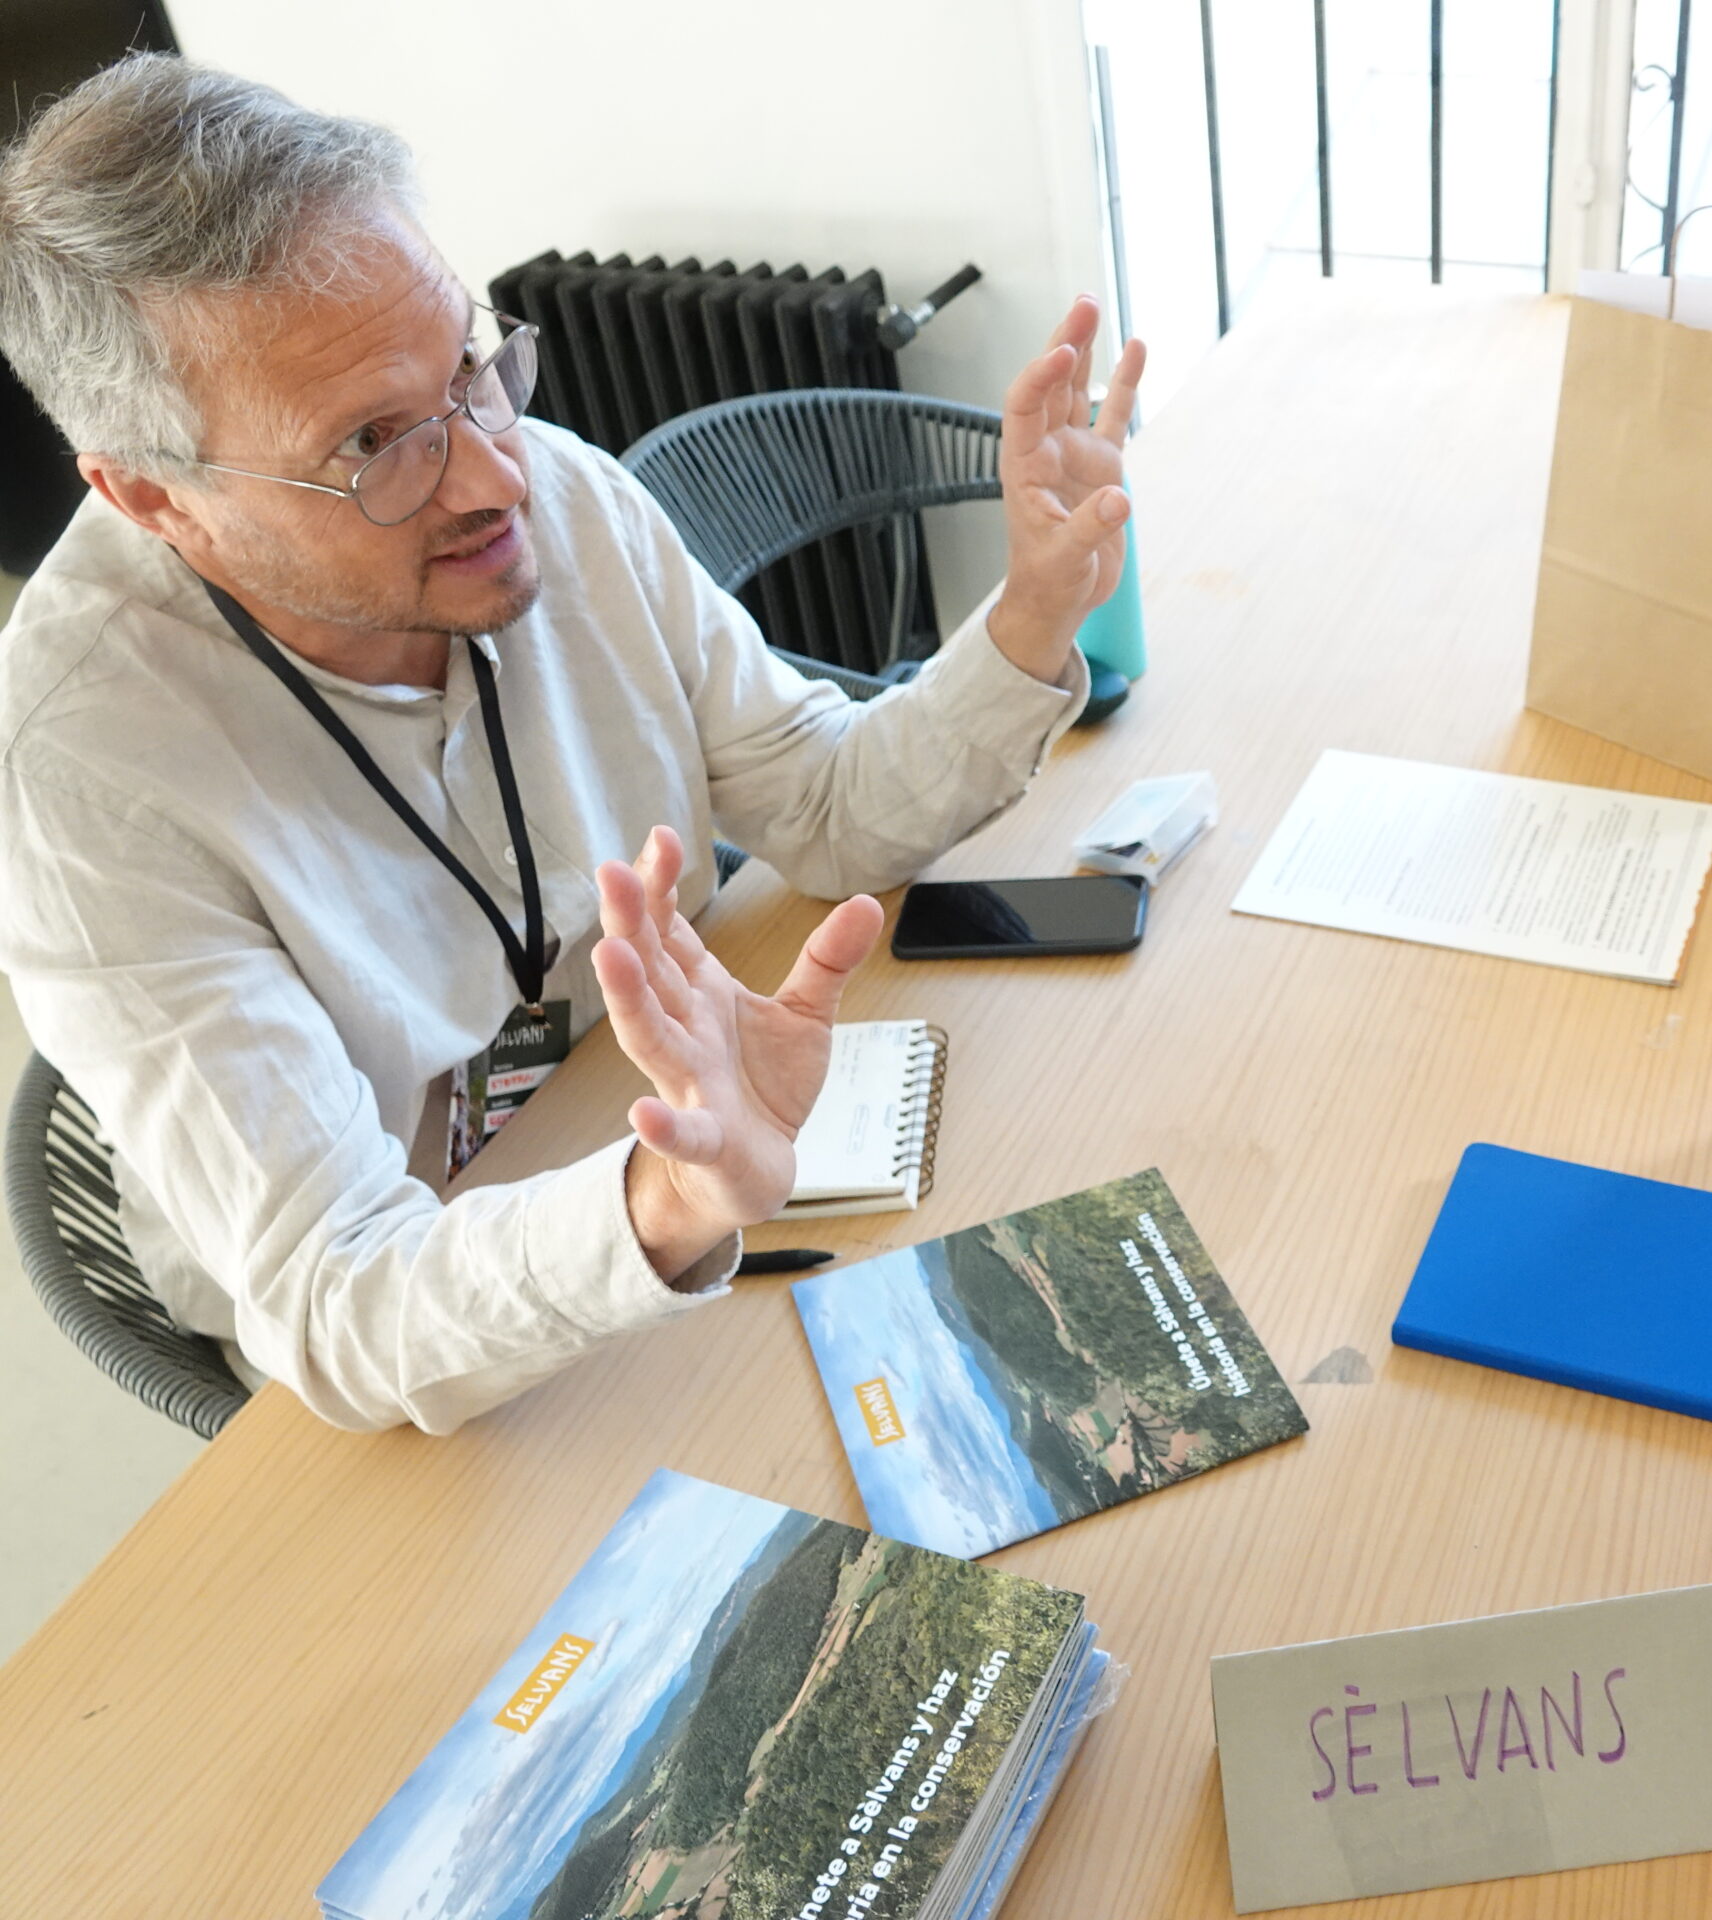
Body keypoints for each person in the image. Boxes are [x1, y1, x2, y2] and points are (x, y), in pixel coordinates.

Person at [0, 56, 1143, 1433]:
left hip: (646, 1128)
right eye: (373, 443)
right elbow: (338, 1291)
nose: (497, 471)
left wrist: (1030, 611)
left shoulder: (561, 496)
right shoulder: (76, 776)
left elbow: (832, 810)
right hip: (437, 1328)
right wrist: (665, 1203)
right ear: (153, 498)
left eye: (474, 367)